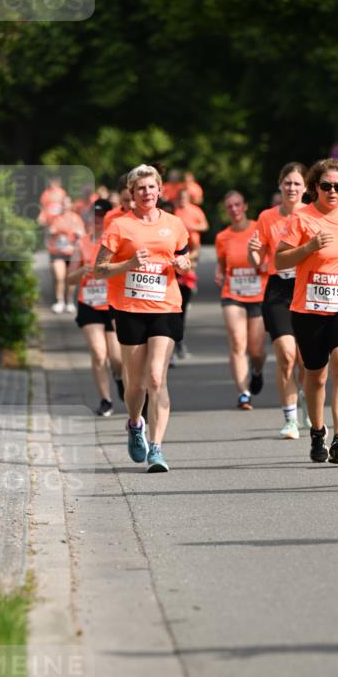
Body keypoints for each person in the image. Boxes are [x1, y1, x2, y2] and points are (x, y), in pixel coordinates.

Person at [94, 164, 191, 472]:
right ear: (132, 194)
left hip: (165, 306)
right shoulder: (119, 226)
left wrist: (184, 264)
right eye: (141, 189)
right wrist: (129, 264)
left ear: (160, 190)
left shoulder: (175, 224)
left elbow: (185, 256)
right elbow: (99, 269)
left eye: (152, 188)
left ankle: (157, 448)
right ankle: (135, 424)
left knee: (156, 378)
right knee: (135, 383)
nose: (147, 193)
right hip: (129, 309)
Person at [275, 158, 338, 463]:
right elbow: (280, 261)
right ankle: (317, 431)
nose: (333, 191)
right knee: (316, 375)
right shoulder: (301, 218)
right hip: (308, 307)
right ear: (315, 188)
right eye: (326, 186)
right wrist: (309, 247)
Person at [248, 162, 309, 439]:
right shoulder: (267, 217)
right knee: (286, 355)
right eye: (288, 183)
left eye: (297, 183)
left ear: (306, 187)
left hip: (309, 289)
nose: (292, 188)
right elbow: (258, 261)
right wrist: (252, 253)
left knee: (307, 361)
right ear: (280, 185)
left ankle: (309, 401)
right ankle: (290, 419)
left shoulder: (313, 216)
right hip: (278, 290)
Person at [66, 199, 123, 415]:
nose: (98, 221)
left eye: (102, 217)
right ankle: (105, 400)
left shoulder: (116, 243)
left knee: (117, 358)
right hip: (89, 304)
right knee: (99, 354)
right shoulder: (81, 243)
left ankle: (118, 376)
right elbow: (70, 279)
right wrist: (82, 271)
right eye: (95, 216)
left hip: (112, 304)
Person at [215, 191, 267, 409]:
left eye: (237, 205)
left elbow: (270, 258)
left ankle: (256, 370)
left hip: (258, 294)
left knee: (255, 350)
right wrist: (219, 273)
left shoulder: (258, 229)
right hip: (232, 294)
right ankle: (243, 393)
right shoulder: (222, 237)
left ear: (245, 206)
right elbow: (221, 263)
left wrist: (264, 265)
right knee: (237, 342)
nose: (234, 209)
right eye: (230, 206)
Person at [174, 187, 208, 359]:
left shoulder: (195, 211)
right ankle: (174, 342)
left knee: (182, 302)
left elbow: (204, 225)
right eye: (179, 197)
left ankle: (188, 284)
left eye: (184, 197)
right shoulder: (172, 212)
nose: (181, 200)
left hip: (191, 253)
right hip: (173, 257)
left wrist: (190, 226)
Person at [46, 195, 86, 313]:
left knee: (71, 279)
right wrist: (57, 230)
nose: (64, 206)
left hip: (72, 252)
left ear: (70, 205)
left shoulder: (76, 218)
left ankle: (69, 301)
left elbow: (83, 234)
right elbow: (50, 231)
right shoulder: (56, 218)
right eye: (62, 203)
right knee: (59, 277)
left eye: (67, 203)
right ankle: (60, 301)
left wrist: (78, 233)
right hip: (57, 252)